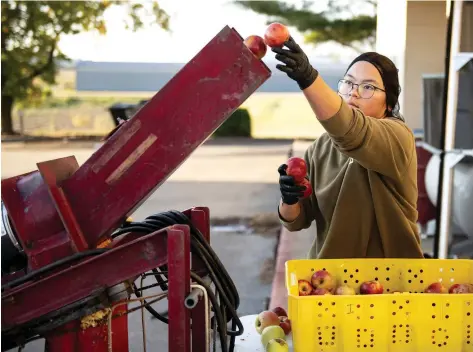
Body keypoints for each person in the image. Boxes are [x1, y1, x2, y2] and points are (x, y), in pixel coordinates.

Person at [273, 37, 424, 259]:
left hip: (392, 282)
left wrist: (308, 78)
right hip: (329, 281)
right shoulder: (320, 148)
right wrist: (289, 198)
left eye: (368, 87)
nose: (353, 93)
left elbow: (352, 131)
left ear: (389, 104)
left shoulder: (398, 137)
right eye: (349, 83)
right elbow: (296, 221)